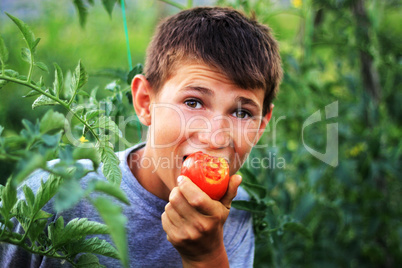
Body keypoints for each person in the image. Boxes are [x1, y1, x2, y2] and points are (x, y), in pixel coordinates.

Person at [0, 6, 282, 268]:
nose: (215, 136)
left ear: (260, 127)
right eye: (193, 102)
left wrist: (207, 257)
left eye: (242, 113)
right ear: (146, 102)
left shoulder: (238, 212)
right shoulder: (57, 196)